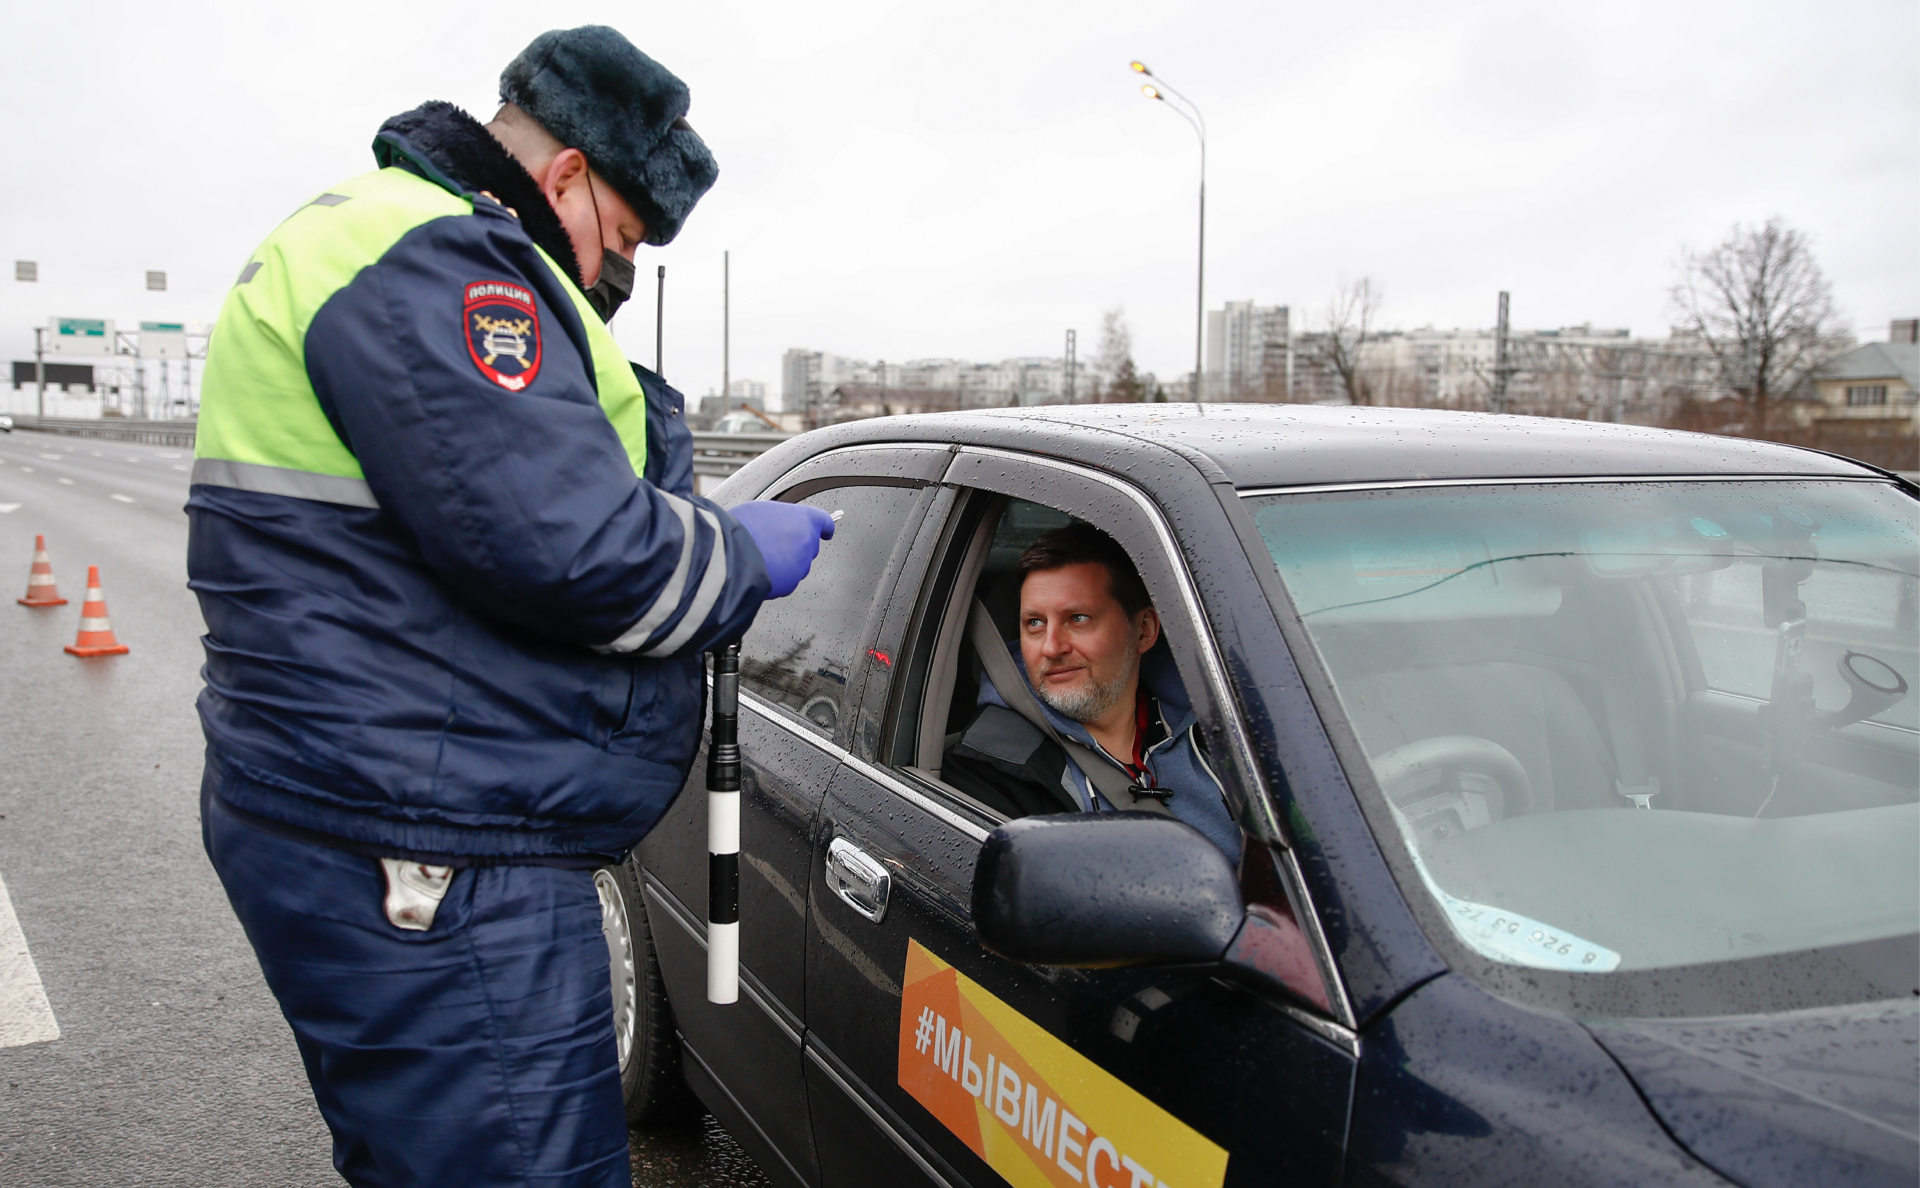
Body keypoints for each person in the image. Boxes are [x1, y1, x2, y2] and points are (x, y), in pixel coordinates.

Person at [186, 27, 833, 1188]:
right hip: (428, 849)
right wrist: (738, 553)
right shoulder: (443, 264)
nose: (614, 274)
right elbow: (574, 549)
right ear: (568, 176)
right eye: (622, 237)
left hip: (379, 810)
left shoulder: (375, 238)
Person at [942, 522, 1242, 859]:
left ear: (1144, 631)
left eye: (1078, 618)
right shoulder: (991, 767)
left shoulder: (1223, 732)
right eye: (1035, 623)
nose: (1052, 647)